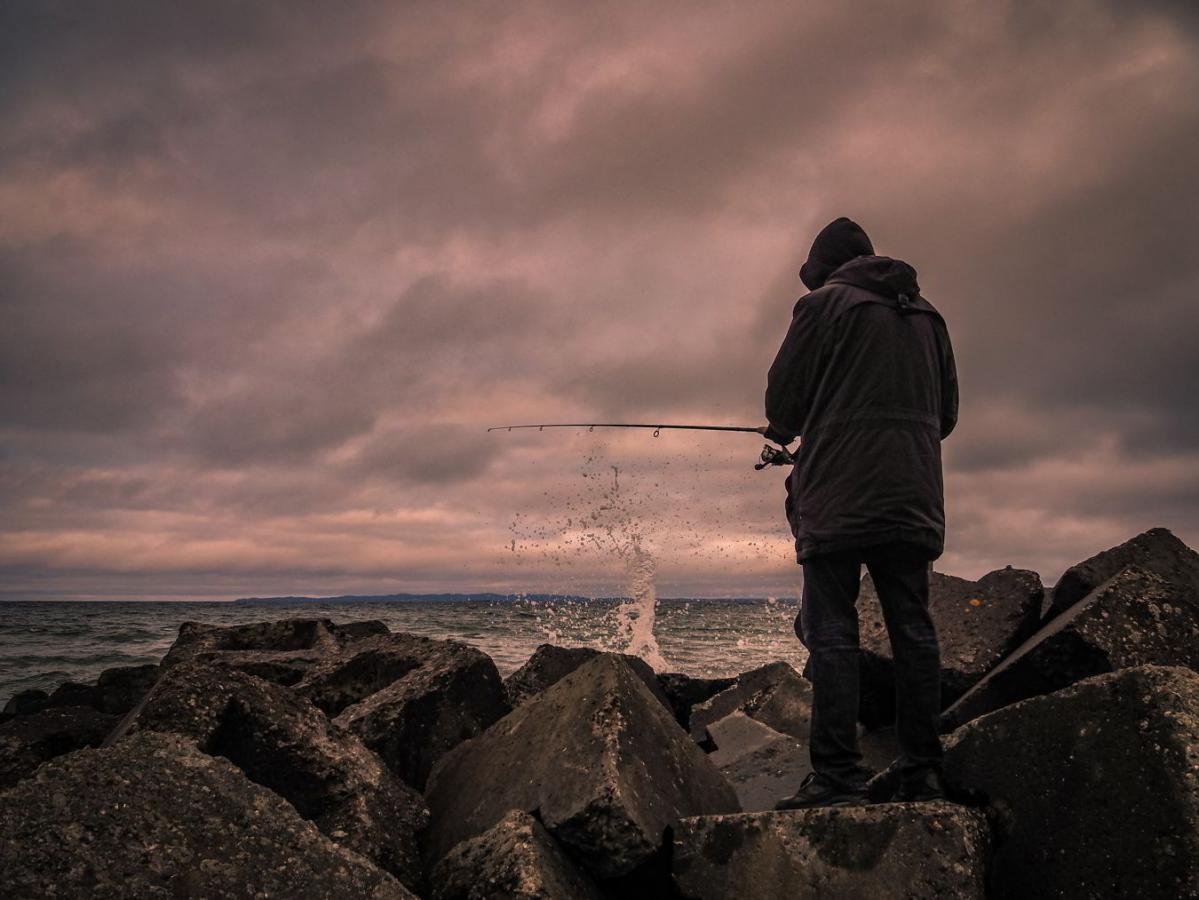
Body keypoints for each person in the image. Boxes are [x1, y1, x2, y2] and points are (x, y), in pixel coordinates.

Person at [763, 217, 958, 808]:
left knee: (832, 631)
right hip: (914, 494)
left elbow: (783, 402)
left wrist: (788, 431)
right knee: (914, 631)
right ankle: (921, 769)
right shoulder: (927, 316)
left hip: (840, 496)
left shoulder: (823, 307)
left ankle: (837, 777)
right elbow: (946, 415)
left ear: (822, 272)